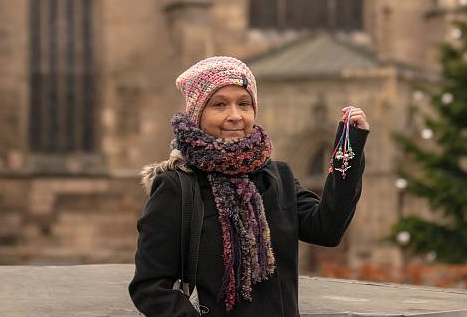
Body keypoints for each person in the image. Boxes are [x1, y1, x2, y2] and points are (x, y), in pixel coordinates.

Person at [129, 56, 370, 316]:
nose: (235, 116)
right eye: (219, 105)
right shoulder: (177, 186)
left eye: (244, 104)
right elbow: (150, 286)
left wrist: (349, 147)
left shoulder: (278, 177)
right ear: (198, 114)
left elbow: (327, 229)